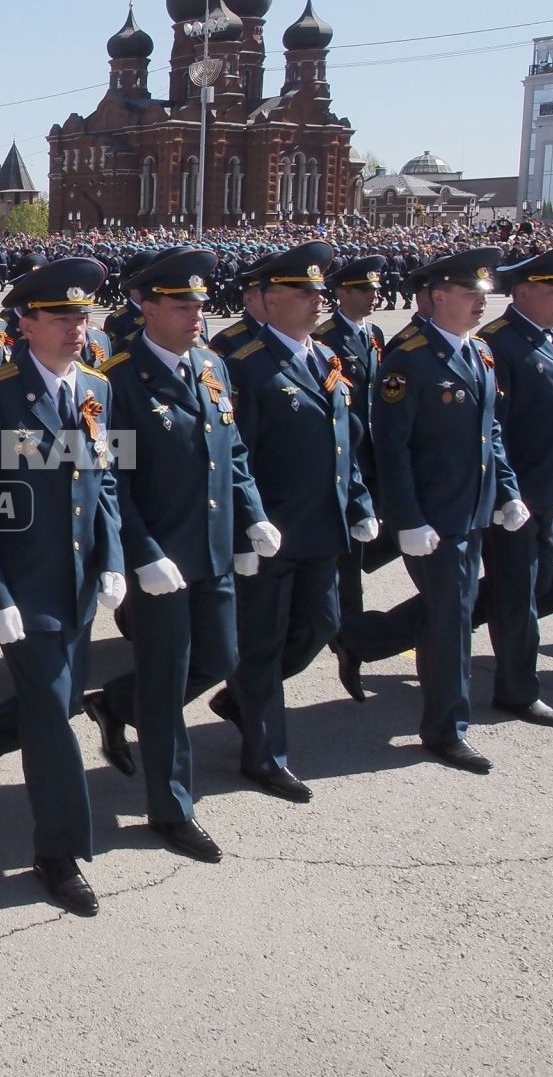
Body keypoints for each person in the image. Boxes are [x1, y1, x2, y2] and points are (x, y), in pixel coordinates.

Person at [0, 257, 125, 914]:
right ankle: (61, 853)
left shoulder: (97, 389)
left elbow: (104, 483)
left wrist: (113, 557)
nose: (78, 326)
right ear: (25, 322)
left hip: (77, 584)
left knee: (59, 705)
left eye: (82, 314)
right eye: (61, 315)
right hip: (22, 591)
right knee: (54, 721)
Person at [84, 247, 275, 862]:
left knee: (220, 656)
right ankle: (171, 806)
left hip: (213, 549)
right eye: (183, 304)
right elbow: (112, 481)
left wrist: (253, 520)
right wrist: (140, 552)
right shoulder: (116, 380)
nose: (197, 314)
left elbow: (234, 454)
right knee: (166, 686)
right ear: (147, 307)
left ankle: (116, 702)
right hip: (162, 560)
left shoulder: (212, 367)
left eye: (200, 303)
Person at [334, 249, 525, 773]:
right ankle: (446, 729)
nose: (481, 303)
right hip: (432, 517)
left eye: (483, 294)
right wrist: (408, 518)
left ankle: (361, 639)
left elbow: (492, 432)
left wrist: (507, 491)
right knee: (450, 619)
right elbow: (391, 448)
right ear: (439, 296)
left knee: (456, 611)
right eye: (471, 294)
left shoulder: (479, 352)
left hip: (474, 509)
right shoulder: (408, 360)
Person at [215, 242, 375, 802]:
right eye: (303, 293)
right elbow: (236, 456)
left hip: (321, 527)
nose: (316, 302)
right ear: (267, 301)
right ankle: (265, 755)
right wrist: (247, 525)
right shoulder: (247, 366)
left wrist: (358, 502)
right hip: (272, 532)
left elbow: (342, 445)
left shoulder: (325, 358)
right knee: (260, 643)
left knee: (322, 625)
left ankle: (243, 698)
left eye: (319, 293)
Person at [472, 245, 553, 727]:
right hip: (516, 494)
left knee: (534, 584)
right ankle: (518, 689)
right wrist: (507, 493)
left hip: (549, 488)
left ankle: (386, 635)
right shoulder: (499, 342)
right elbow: (493, 428)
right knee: (518, 591)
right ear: (524, 292)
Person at [315, 254, 391, 628]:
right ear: (342, 292)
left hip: (373, 451)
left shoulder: (373, 335)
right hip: (347, 451)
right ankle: (349, 624)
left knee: (375, 533)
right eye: (364, 289)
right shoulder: (326, 339)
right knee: (349, 547)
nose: (372, 296)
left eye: (375, 289)